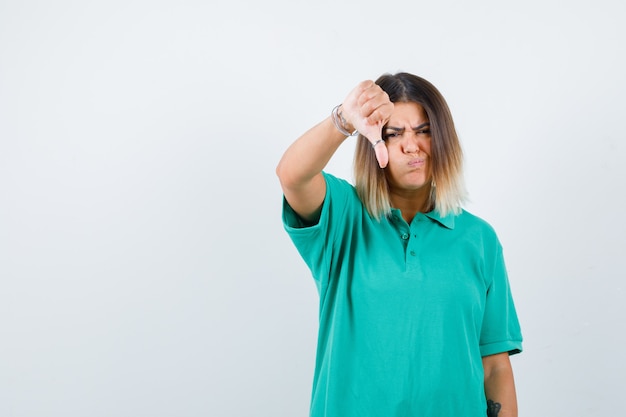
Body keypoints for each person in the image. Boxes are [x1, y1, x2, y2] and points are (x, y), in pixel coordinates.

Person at [276, 72, 523, 417]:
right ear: (374, 141)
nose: (412, 145)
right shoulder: (344, 218)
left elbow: (495, 367)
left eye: (424, 131)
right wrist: (345, 120)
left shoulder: (479, 239)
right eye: (395, 133)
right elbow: (292, 175)